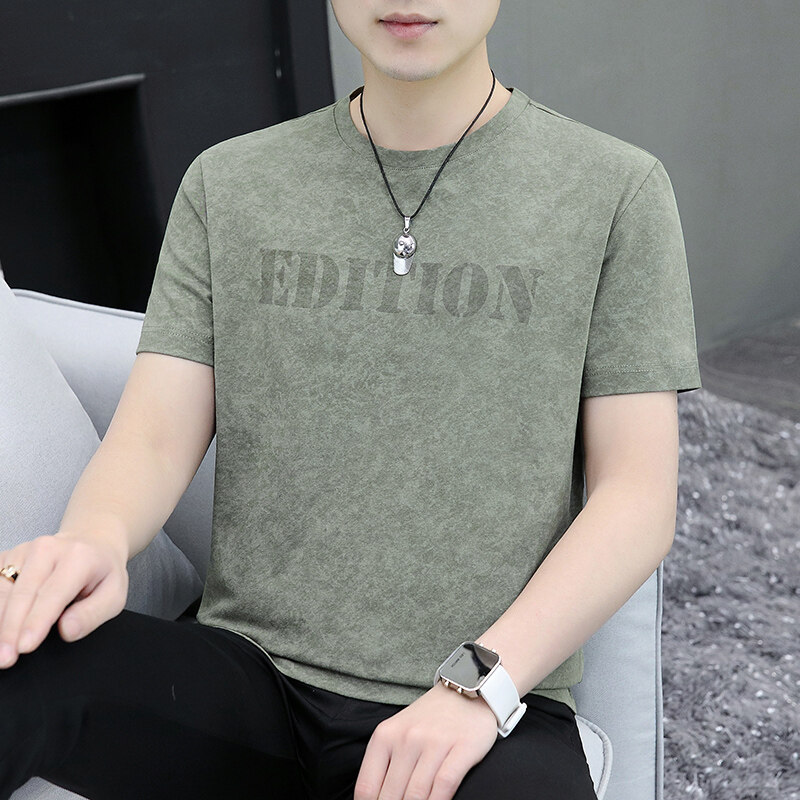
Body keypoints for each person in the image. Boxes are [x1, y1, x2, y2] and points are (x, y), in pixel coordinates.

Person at [0, 2, 702, 798]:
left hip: (489, 711)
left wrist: (480, 684)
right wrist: (92, 540)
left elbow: (635, 496)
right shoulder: (229, 184)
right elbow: (155, 438)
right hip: (247, 678)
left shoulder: (616, 192)